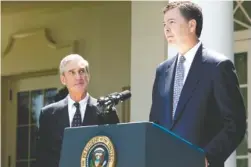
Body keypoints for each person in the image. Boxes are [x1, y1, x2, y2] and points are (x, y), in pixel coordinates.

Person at [149, 1, 246, 167]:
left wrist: (206, 157)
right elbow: (155, 123)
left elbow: (235, 123)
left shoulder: (218, 66)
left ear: (191, 25)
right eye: (164, 24)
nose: (166, 29)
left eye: (172, 22)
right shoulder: (162, 71)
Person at [36, 54, 119, 167]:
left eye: (81, 71)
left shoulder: (105, 111)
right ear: (63, 79)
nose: (78, 77)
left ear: (88, 76)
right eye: (72, 72)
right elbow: (43, 158)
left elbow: (116, 151)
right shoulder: (48, 114)